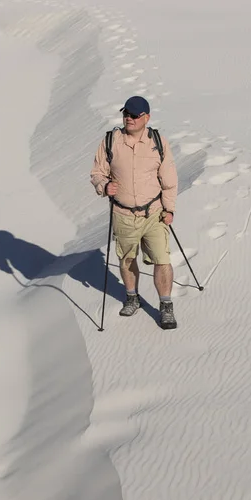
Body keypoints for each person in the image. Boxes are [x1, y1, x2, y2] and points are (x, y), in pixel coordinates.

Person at [90, 96, 178, 329]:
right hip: (123, 214)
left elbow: (169, 180)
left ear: (146, 118)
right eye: (126, 113)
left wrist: (169, 209)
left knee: (162, 259)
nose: (128, 118)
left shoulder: (158, 141)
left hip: (154, 214)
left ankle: (166, 305)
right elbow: (97, 173)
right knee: (127, 259)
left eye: (134, 115)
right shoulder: (111, 141)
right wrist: (104, 186)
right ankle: (132, 298)